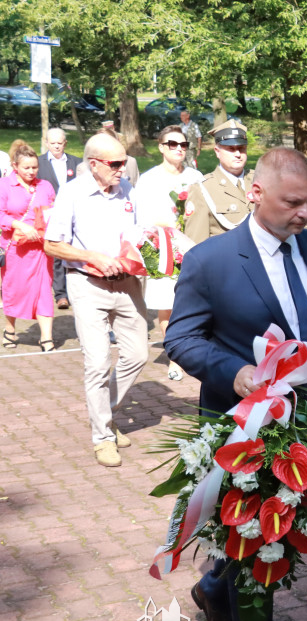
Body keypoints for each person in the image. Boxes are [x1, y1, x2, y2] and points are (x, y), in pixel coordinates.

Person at [165, 148, 307, 621]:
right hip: (242, 431)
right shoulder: (212, 260)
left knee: (277, 536)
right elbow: (180, 338)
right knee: (259, 547)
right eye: (292, 203)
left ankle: (213, 586)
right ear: (255, 193)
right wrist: (234, 372)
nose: (304, 214)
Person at [43, 133, 148, 467]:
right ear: (93, 165)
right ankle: (102, 436)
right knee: (98, 362)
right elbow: (51, 244)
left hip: (128, 284)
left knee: (138, 354)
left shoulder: (128, 189)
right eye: (116, 163)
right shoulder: (72, 193)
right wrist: (93, 257)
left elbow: (139, 232)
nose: (123, 169)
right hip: (87, 284)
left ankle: (105, 411)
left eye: (125, 161)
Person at [135, 125, 203, 381]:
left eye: (183, 145)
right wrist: (169, 225)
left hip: (193, 244)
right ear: (161, 147)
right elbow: (141, 218)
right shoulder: (149, 179)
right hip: (160, 246)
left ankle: (196, 349)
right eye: (172, 144)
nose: (179, 149)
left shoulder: (196, 176)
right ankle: (176, 357)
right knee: (167, 306)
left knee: (194, 301)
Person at [1, 141, 57, 352]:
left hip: (41, 248)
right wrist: (19, 225)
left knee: (43, 290)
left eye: (35, 167)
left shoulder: (45, 186)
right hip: (15, 248)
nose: (32, 171)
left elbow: (53, 212)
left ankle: (46, 337)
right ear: (15, 166)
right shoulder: (4, 185)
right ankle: (10, 328)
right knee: (14, 290)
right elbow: (1, 214)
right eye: (27, 168)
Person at [183, 119, 254, 244]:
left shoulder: (261, 180)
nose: (238, 154)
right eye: (231, 149)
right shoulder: (202, 189)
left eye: (241, 148)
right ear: (217, 152)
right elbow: (196, 245)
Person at [37, 128, 81, 310]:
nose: (56, 146)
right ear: (46, 143)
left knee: (73, 249)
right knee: (56, 251)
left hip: (74, 212)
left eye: (59, 143)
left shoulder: (76, 163)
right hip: (50, 213)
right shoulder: (39, 163)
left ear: (65, 143)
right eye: (52, 143)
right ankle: (60, 294)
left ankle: (74, 291)